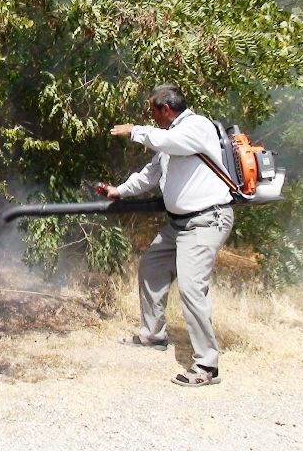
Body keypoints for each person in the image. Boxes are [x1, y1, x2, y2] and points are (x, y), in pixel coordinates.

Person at [98, 83, 234, 387]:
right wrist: (118, 190)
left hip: (206, 221)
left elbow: (168, 141)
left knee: (191, 289)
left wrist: (135, 130)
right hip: (180, 224)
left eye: (153, 112)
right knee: (152, 267)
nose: (152, 117)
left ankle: (206, 366)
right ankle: (152, 335)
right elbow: (151, 173)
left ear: (165, 109)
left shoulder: (196, 127)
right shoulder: (171, 140)